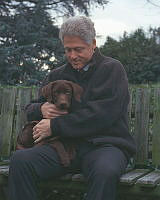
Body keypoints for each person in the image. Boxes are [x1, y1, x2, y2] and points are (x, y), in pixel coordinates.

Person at [8, 16, 136, 200]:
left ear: (93, 43)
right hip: (64, 148)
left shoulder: (112, 69)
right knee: (21, 161)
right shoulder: (57, 74)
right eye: (68, 50)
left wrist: (55, 126)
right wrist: (41, 109)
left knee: (105, 172)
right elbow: (30, 108)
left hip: (106, 146)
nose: (72, 56)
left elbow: (103, 115)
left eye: (78, 49)